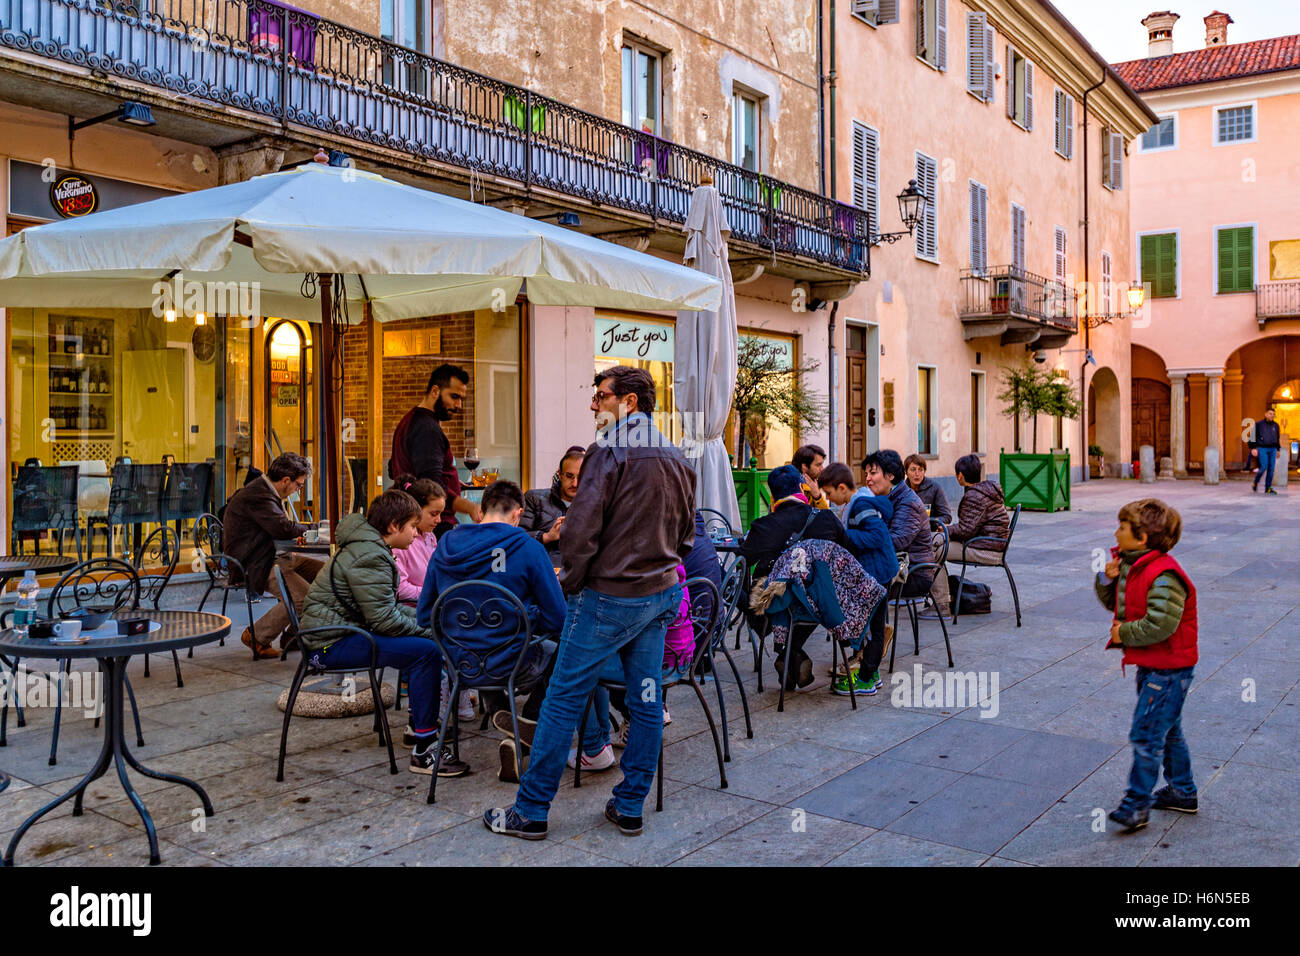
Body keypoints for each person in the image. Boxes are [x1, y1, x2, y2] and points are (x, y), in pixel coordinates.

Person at [484, 365, 696, 841]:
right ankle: (630, 805)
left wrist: (573, 579)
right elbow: (688, 533)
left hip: (610, 595)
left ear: (630, 403)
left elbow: (581, 529)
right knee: (645, 699)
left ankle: (532, 811)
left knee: (563, 699)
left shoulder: (610, 451)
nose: (594, 405)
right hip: (655, 593)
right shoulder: (677, 455)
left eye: (601, 397)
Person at [298, 490, 467, 777]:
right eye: (413, 526)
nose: (416, 534)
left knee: (423, 647)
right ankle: (424, 749)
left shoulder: (369, 548)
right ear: (393, 526)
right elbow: (385, 620)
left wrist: (431, 621)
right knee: (425, 653)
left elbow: (388, 610)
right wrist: (432, 631)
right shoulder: (370, 556)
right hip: (327, 646)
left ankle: (419, 730)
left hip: (343, 634)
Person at [418, 479, 566, 783]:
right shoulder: (527, 546)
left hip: (461, 664)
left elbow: (424, 615)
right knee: (568, 651)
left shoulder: (446, 544)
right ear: (518, 514)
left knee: (486, 640)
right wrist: (526, 615)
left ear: (481, 511)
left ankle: (506, 717)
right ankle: (528, 724)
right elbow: (557, 618)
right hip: (514, 662)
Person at [1093, 499, 1199, 832]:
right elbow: (1118, 602)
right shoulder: (1132, 564)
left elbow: (1161, 625)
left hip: (1168, 670)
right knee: (1169, 731)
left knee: (1147, 734)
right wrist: (1107, 579)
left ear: (1141, 538)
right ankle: (1183, 791)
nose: (1115, 532)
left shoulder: (1164, 575)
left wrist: (1122, 633)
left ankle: (1136, 804)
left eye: (1122, 527)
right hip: (1156, 665)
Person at [740, 464, 846, 690]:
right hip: (823, 603)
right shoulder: (826, 518)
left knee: (742, 591)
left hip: (777, 604)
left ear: (772, 495)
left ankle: (787, 654)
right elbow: (848, 549)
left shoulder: (763, 526)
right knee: (806, 595)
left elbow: (743, 561)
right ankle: (790, 654)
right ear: (802, 488)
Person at [222, 452, 322, 659]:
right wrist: (315, 529)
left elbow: (280, 528)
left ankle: (293, 636)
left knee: (327, 576)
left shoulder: (266, 492)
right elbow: (283, 528)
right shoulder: (258, 496)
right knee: (304, 598)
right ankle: (257, 636)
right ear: (286, 480)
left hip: (275, 556)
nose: (298, 490)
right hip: (254, 563)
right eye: (299, 485)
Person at [820, 462, 899, 694]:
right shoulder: (856, 502)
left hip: (877, 573)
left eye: (829, 493)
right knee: (871, 626)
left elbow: (876, 536)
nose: (828, 498)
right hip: (877, 572)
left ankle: (865, 680)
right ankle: (871, 674)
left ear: (842, 487)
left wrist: (843, 536)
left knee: (875, 629)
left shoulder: (859, 505)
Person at [388, 363, 481, 537]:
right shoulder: (427, 429)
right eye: (454, 397)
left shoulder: (409, 420)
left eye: (461, 398)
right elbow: (431, 488)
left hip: (417, 524)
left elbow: (395, 470)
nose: (459, 405)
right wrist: (471, 507)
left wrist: (451, 480)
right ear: (435, 391)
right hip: (434, 527)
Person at [935, 454, 1011, 615]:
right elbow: (969, 527)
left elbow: (965, 531)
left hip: (986, 548)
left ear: (960, 476)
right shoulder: (986, 490)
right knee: (937, 541)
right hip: (990, 543)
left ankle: (941, 605)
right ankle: (944, 597)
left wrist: (946, 530)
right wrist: (946, 531)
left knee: (935, 551)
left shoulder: (974, 496)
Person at [862, 449, 932, 606]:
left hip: (911, 572)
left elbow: (897, 541)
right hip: (891, 565)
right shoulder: (883, 498)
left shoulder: (907, 502)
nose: (868, 479)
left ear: (890, 476)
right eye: (866, 474)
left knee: (856, 583)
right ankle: (871, 629)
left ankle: (870, 629)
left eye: (873, 473)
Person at [521, 446, 585, 560]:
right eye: (569, 476)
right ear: (560, 474)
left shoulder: (594, 505)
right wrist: (546, 537)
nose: (575, 483)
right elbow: (517, 537)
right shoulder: (534, 498)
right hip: (543, 570)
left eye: (580, 477)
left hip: (579, 573)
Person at [904, 454, 951, 523]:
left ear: (924, 471)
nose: (917, 474)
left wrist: (931, 523)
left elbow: (946, 516)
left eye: (920, 470)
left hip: (929, 531)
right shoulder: (901, 490)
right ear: (906, 472)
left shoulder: (935, 488)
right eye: (913, 470)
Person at [1250, 408, 1281, 494]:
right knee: (1264, 467)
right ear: (1266, 414)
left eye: (1273, 414)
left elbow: (1277, 438)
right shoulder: (1259, 424)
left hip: (1273, 449)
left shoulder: (1276, 426)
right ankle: (1256, 482)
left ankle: (1268, 488)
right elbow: (1252, 436)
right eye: (1270, 414)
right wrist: (1253, 448)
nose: (1272, 415)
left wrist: (1278, 449)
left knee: (1271, 469)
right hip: (1262, 448)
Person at [792, 443, 830, 509]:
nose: (822, 469)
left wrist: (817, 496)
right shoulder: (791, 487)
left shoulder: (812, 482)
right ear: (804, 466)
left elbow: (826, 515)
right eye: (818, 465)